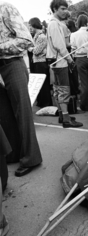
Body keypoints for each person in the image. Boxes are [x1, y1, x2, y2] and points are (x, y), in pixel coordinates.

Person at [0, 1, 43, 177]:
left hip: (12, 65)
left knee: (23, 115)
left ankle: (31, 158)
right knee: (5, 116)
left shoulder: (6, 8)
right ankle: (15, 153)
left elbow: (26, 39)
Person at [47, 0, 83, 128]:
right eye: (62, 8)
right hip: (60, 62)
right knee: (63, 90)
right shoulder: (54, 24)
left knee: (59, 89)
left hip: (57, 61)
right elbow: (59, 45)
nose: (65, 11)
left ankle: (64, 116)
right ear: (55, 9)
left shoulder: (55, 24)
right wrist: (70, 60)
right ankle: (66, 119)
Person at [70, 15, 88, 111]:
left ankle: (85, 105)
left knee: (83, 83)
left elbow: (73, 47)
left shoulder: (74, 34)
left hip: (80, 59)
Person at [28, 17, 53, 108]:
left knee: (43, 84)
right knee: (39, 84)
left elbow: (36, 51)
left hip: (41, 62)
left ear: (35, 25)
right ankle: (41, 102)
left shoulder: (41, 36)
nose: (29, 28)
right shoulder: (36, 36)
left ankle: (46, 103)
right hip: (36, 62)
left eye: (30, 26)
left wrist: (30, 48)